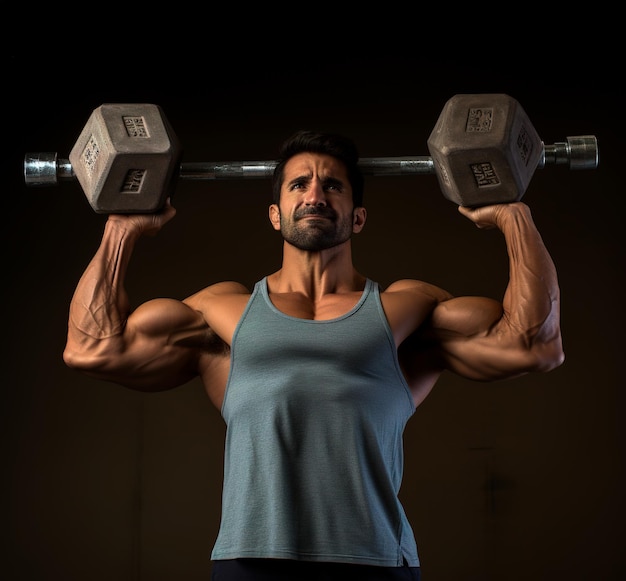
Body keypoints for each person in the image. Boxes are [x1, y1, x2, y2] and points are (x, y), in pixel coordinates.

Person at [63, 129, 564, 581]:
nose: (316, 195)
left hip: (375, 561)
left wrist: (512, 216)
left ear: (358, 216)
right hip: (251, 562)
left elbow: (534, 344)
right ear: (275, 213)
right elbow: (91, 347)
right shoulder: (221, 313)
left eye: (334, 186)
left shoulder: (407, 311)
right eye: (298, 185)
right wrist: (122, 229)